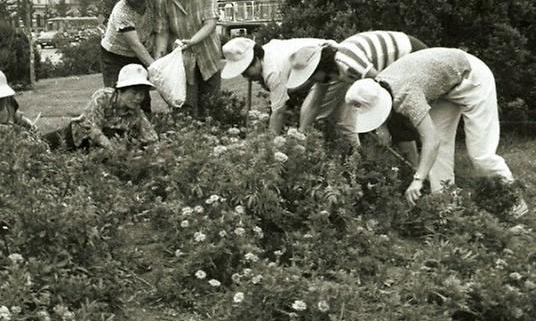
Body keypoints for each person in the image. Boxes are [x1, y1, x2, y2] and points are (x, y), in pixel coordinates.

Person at [344, 48, 520, 211]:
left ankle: (514, 204)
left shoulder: (406, 96)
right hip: (445, 88)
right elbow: (436, 143)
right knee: (439, 152)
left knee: (481, 155)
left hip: (471, 77)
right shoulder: (378, 84)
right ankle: (445, 206)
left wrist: (417, 180)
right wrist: (381, 127)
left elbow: (431, 140)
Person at [286, 30, 427, 149]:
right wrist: (301, 135)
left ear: (319, 67)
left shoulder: (350, 65)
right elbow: (315, 103)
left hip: (410, 53)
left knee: (404, 113)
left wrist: (381, 126)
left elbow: (383, 88)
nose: (311, 80)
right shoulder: (327, 72)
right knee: (394, 121)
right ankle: (412, 168)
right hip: (386, 71)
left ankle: (420, 167)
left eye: (311, 75)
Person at [156, 0, 222, 117]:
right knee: (186, 105)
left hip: (208, 56)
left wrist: (192, 41)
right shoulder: (163, 1)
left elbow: (210, 24)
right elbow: (162, 32)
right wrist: (160, 58)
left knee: (212, 103)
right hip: (183, 61)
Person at [221, 37, 331, 136]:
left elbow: (279, 112)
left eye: (246, 71)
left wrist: (271, 146)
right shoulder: (265, 55)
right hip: (317, 64)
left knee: (322, 118)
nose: (245, 76)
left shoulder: (272, 71)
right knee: (313, 119)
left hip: (328, 61)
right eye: (242, 72)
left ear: (256, 60)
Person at [45, 64, 158, 151]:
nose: (138, 98)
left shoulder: (136, 112)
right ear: (120, 91)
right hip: (75, 137)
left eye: (142, 94)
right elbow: (92, 129)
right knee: (42, 145)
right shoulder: (102, 97)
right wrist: (116, 151)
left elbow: (151, 138)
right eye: (134, 93)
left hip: (95, 148)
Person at [100, 0, 162, 113]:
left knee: (142, 96)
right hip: (115, 56)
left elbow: (160, 30)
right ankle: (116, 132)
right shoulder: (122, 12)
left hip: (140, 54)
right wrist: (156, 68)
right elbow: (135, 44)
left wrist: (158, 59)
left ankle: (144, 129)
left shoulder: (153, 1)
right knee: (117, 97)